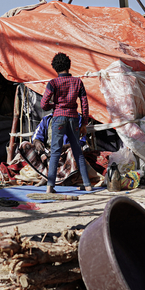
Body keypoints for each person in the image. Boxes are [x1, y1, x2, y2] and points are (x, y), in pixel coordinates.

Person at [40, 52, 92, 193]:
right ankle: (87, 185)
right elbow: (84, 104)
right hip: (74, 119)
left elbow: (43, 104)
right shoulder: (78, 82)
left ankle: (50, 186)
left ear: (55, 68)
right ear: (69, 66)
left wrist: (54, 105)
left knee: (55, 152)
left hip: (58, 119)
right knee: (78, 152)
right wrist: (84, 123)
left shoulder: (53, 83)